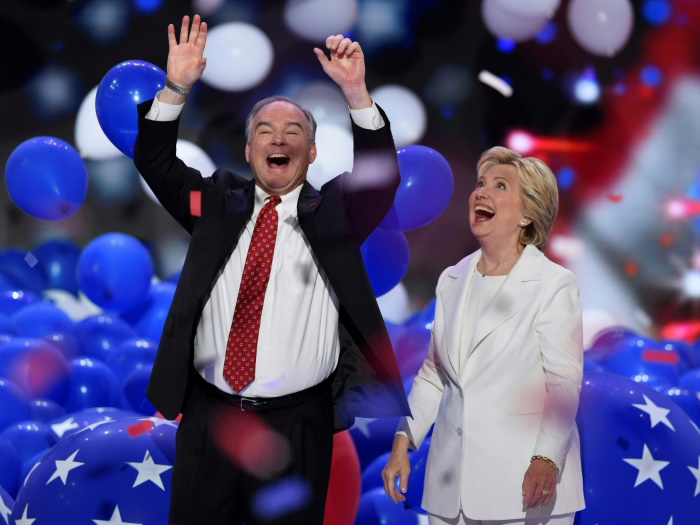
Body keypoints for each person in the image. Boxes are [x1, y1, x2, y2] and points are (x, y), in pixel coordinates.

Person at [133, 14, 410, 525]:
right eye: (265, 130)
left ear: (311, 150)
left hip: (297, 428)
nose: (278, 139)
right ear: (248, 149)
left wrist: (356, 92)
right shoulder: (215, 203)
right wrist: (176, 87)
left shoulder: (337, 213)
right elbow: (156, 163)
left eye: (293, 131)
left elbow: (383, 178)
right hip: (209, 419)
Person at [382, 146, 585, 525]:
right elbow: (433, 373)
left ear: (527, 214)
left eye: (500, 186)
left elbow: (564, 383)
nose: (481, 193)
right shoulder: (451, 279)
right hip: (449, 489)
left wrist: (545, 458)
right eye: (480, 184)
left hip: (524, 489)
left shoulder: (554, 284)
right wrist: (402, 442)